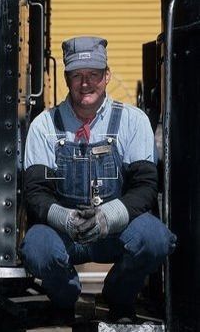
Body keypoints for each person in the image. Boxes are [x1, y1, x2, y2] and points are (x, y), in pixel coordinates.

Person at [20, 36, 176, 322]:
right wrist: (66, 219)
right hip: (65, 232)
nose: (85, 83)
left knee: (155, 238)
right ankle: (67, 297)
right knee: (36, 246)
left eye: (93, 74)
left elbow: (145, 188)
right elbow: (36, 192)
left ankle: (118, 295)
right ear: (66, 78)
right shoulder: (44, 126)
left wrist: (107, 217)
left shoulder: (133, 121)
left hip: (116, 230)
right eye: (77, 75)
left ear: (107, 76)